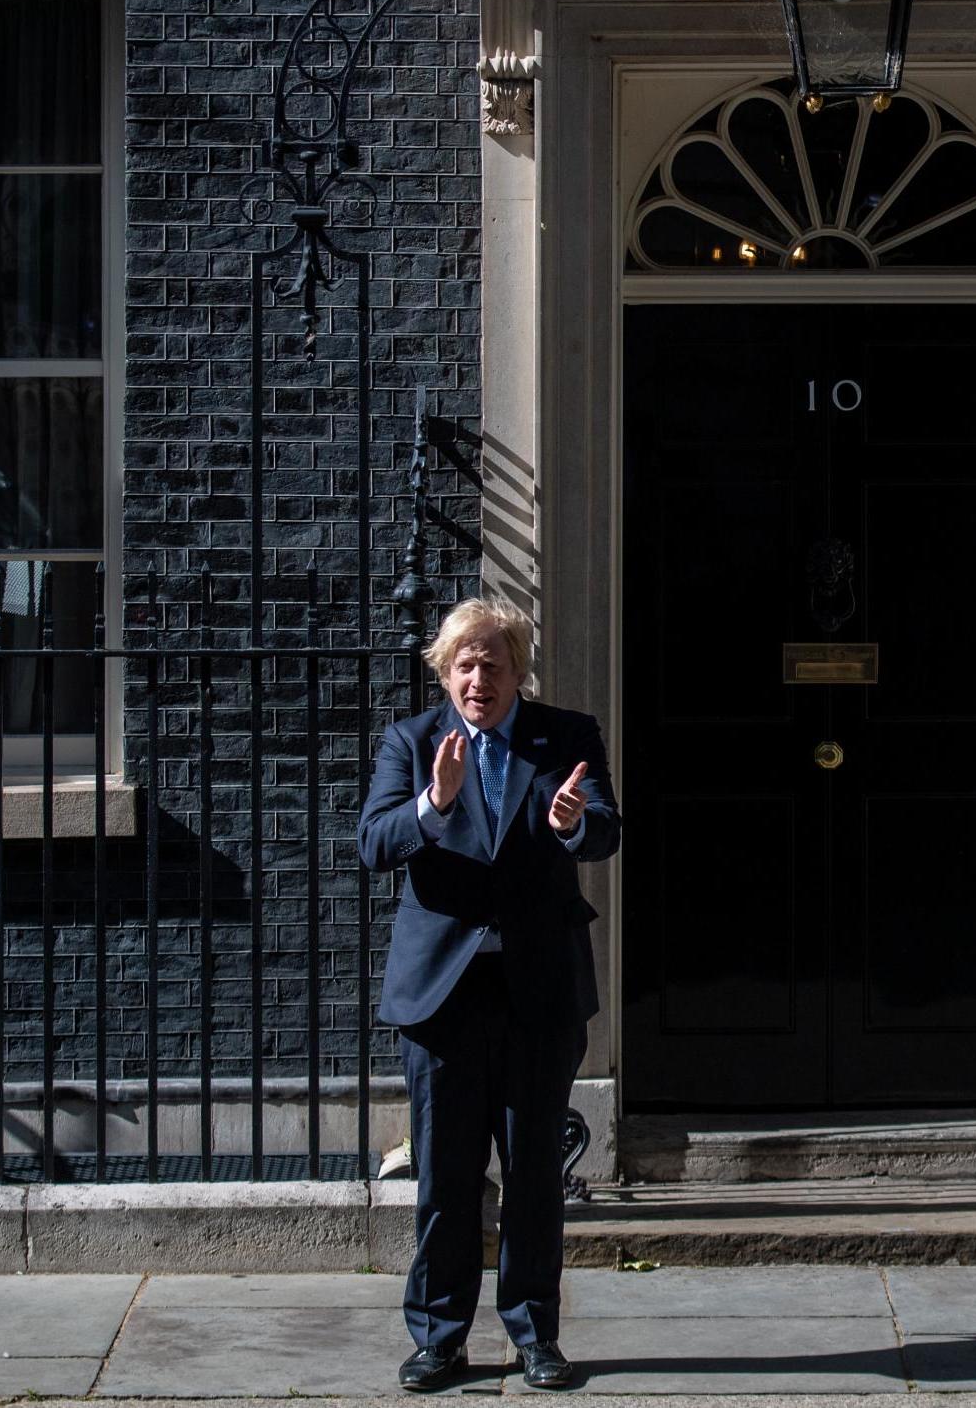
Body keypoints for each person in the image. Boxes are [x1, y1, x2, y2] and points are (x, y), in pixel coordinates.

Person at [358, 596, 621, 1392]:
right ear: (445, 673)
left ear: (517, 671)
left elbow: (606, 828)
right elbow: (372, 842)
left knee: (536, 1170)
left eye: (494, 663)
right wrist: (432, 805)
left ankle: (534, 1334)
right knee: (445, 1172)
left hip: (538, 986)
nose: (480, 678)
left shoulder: (565, 737)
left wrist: (575, 821)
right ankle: (439, 1337)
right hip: (445, 996)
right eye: (465, 665)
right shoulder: (412, 743)